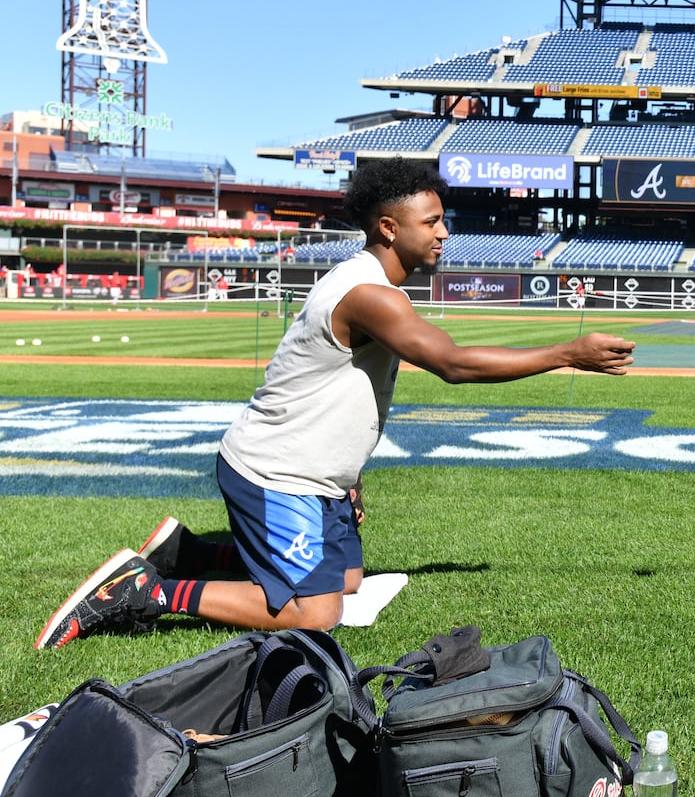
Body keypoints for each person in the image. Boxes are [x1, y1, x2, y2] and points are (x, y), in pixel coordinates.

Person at [37, 159, 637, 649]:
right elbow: (452, 364)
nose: (444, 233)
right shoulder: (370, 294)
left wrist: (345, 474)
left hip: (315, 473)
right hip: (276, 470)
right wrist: (567, 353)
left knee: (348, 580)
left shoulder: (369, 281)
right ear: (388, 227)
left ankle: (188, 553)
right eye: (431, 221)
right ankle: (146, 591)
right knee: (315, 612)